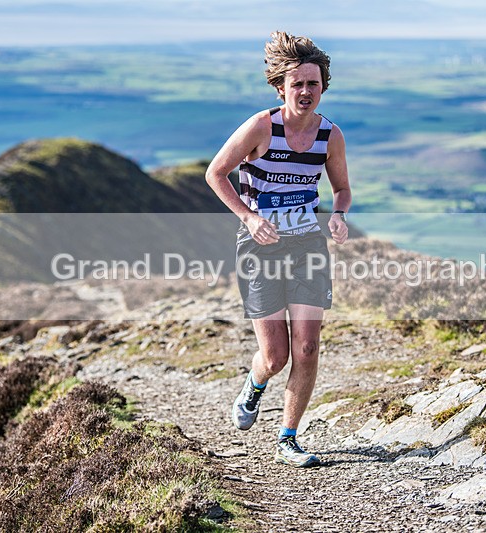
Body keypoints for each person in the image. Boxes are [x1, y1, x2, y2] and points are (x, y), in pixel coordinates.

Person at [205, 31, 351, 467]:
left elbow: (342, 189)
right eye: (297, 84)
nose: (306, 92)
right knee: (276, 355)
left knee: (307, 348)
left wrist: (338, 215)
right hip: (259, 248)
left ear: (323, 86)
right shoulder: (261, 127)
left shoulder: (330, 135)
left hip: (307, 245)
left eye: (313, 83)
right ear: (281, 88)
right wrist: (249, 217)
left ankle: (288, 438)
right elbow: (216, 173)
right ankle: (254, 384)